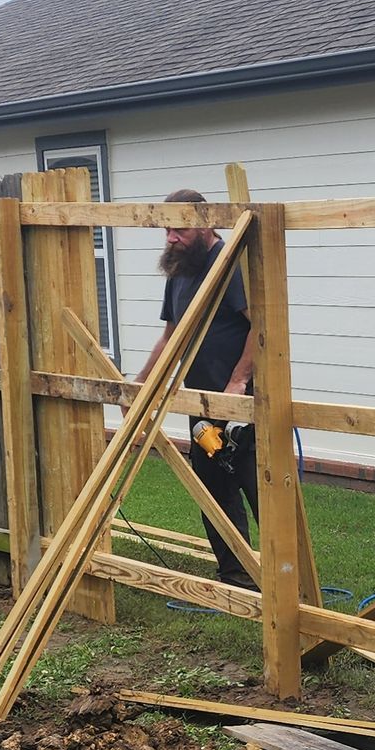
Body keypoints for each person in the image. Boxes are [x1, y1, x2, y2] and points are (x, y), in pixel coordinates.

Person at [137, 191, 258, 587]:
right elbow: (171, 335)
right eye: (167, 228)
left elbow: (263, 326)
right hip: (202, 404)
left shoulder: (231, 264)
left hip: (244, 404)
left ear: (206, 224)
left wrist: (238, 381)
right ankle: (236, 573)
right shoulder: (180, 270)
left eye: (181, 228)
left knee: (259, 486)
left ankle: (286, 574)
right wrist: (141, 384)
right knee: (213, 484)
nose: (171, 237)